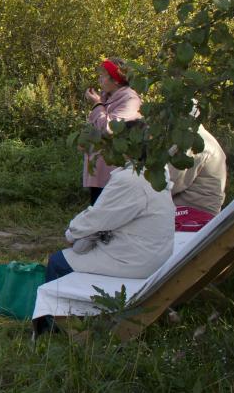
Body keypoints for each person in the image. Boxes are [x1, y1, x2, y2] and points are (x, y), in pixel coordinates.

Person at [46, 120, 174, 284]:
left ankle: (55, 309)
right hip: (154, 252)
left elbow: (98, 218)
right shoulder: (156, 171)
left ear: (127, 146)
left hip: (136, 260)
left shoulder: (129, 179)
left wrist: (71, 234)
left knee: (58, 262)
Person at [82, 57, 141, 205]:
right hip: (100, 169)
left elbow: (109, 129)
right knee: (96, 212)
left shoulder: (130, 99)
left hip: (114, 172)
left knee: (106, 216)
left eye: (103, 75)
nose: (100, 79)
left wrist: (96, 104)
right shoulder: (107, 97)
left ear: (115, 80)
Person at [169, 123, 227, 231]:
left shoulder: (191, 142)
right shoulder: (203, 138)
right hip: (200, 215)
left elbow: (168, 183)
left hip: (193, 217)